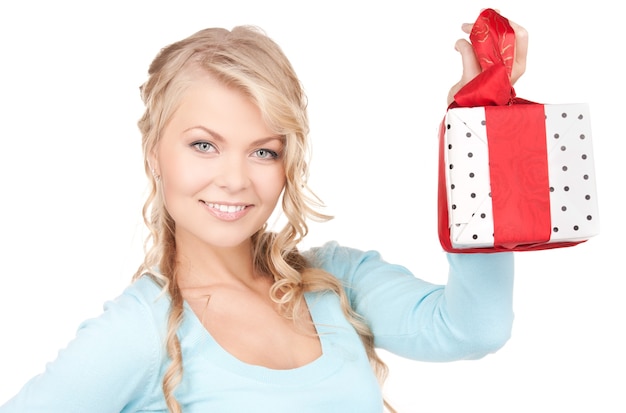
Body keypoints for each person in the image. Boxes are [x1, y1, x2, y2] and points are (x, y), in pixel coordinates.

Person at [0, 11, 527, 413]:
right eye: (204, 145)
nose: (234, 179)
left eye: (263, 151)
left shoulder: (337, 284)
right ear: (153, 154)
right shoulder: (140, 331)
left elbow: (475, 329)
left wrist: (477, 135)